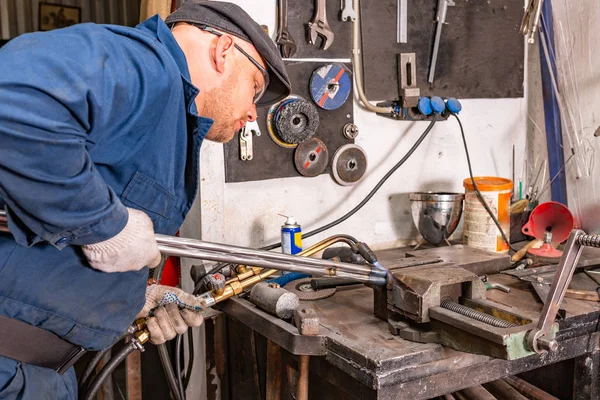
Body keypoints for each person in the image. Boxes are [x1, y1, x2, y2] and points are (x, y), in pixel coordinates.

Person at [0, 1, 291, 398]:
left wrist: (132, 300)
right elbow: (12, 102)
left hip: (41, 372)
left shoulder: (167, 112)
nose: (253, 113)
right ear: (224, 51)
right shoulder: (147, 66)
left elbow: (60, 249)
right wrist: (107, 227)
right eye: (254, 88)